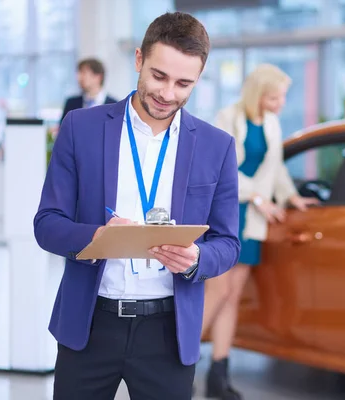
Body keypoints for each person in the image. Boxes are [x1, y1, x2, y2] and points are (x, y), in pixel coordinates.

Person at [34, 11, 240, 400]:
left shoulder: (217, 147)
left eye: (184, 83)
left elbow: (228, 244)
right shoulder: (81, 128)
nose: (168, 94)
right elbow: (47, 223)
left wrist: (197, 258)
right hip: (90, 325)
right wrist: (97, 237)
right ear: (138, 60)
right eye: (159, 76)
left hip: (168, 332)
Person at [199, 64, 319, 399]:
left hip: (253, 217)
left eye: (282, 97)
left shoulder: (271, 123)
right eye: (274, 97)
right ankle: (176, 359)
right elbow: (218, 170)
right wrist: (255, 195)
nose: (281, 103)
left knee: (233, 297)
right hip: (228, 211)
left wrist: (292, 196)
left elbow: (276, 166)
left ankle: (218, 374)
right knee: (218, 293)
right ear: (258, 94)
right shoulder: (229, 117)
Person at [60, 58, 118, 123]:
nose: (79, 77)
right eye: (79, 73)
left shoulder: (115, 106)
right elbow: (63, 130)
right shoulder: (71, 103)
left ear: (98, 77)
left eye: (84, 73)